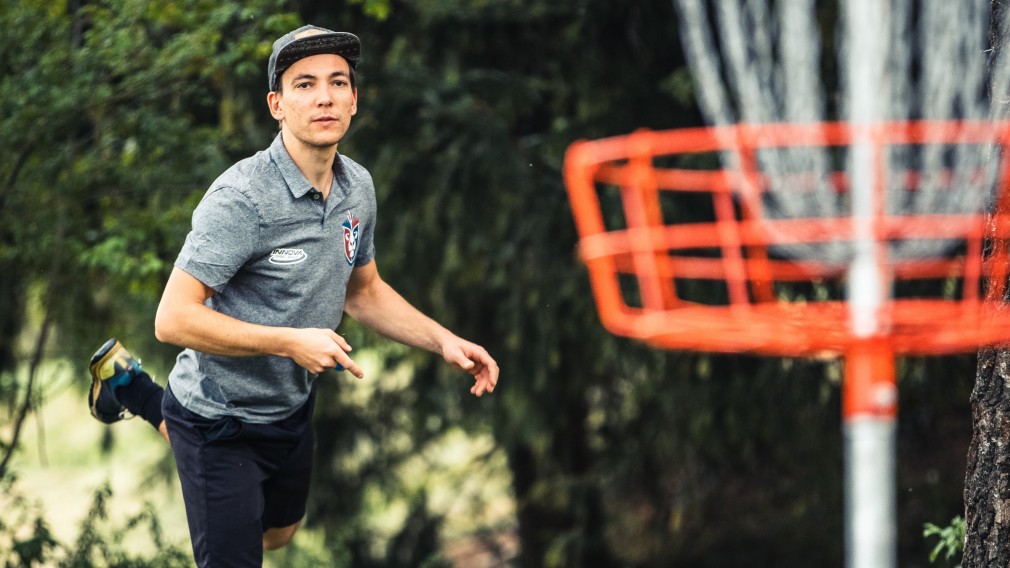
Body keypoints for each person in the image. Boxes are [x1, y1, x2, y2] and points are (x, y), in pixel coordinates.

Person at [85, 24, 499, 568]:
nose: (324, 96)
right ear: (277, 104)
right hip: (217, 418)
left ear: (354, 101)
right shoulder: (241, 199)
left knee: (277, 534)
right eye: (305, 85)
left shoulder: (357, 189)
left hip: (288, 409)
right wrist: (288, 342)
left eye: (338, 82)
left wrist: (443, 340)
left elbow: (364, 291)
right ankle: (155, 403)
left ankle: (131, 386)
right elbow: (172, 320)